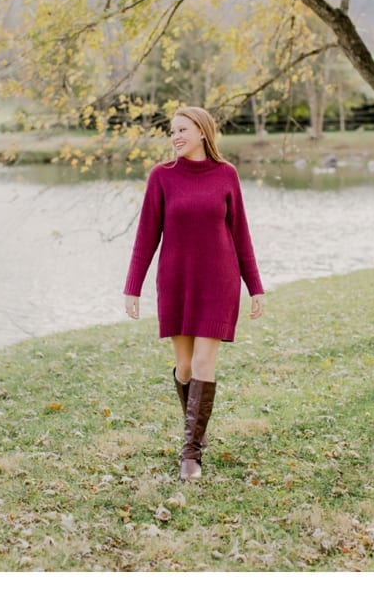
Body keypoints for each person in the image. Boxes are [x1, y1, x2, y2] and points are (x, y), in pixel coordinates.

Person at [122, 106, 263, 480]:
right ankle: (195, 430)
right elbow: (146, 237)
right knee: (184, 367)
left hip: (219, 281)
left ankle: (191, 453)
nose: (175, 137)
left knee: (203, 364)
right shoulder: (162, 177)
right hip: (177, 282)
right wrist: (132, 288)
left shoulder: (226, 175)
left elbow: (241, 235)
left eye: (182, 129)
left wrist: (255, 287)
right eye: (172, 131)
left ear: (203, 131)